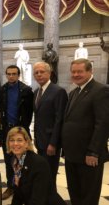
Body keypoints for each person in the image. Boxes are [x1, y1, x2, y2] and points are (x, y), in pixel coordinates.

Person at [62, 58, 109, 205]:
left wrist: (93, 152)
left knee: (88, 194)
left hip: (88, 155)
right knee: (75, 190)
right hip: (72, 153)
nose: (76, 74)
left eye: (80, 71)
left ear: (90, 71)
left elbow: (103, 124)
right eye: (73, 71)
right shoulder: (74, 92)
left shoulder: (100, 90)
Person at [0, 65, 34, 200]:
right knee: (8, 160)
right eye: (9, 74)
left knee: (23, 160)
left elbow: (29, 113)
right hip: (6, 129)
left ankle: (23, 187)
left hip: (21, 130)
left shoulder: (26, 91)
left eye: (14, 74)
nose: (11, 76)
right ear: (6, 75)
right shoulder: (2, 90)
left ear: (18, 75)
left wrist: (23, 129)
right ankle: (11, 186)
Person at [7, 127, 66, 205]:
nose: (15, 143)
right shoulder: (15, 162)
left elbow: (38, 199)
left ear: (26, 143)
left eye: (19, 140)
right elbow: (18, 194)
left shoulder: (38, 163)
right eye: (12, 140)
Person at [33, 62, 68, 189]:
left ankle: (51, 198)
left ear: (49, 73)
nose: (39, 74)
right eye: (36, 72)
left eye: (42, 72)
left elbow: (60, 119)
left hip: (51, 142)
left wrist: (53, 143)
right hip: (40, 140)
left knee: (50, 173)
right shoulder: (36, 92)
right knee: (43, 172)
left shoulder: (58, 91)